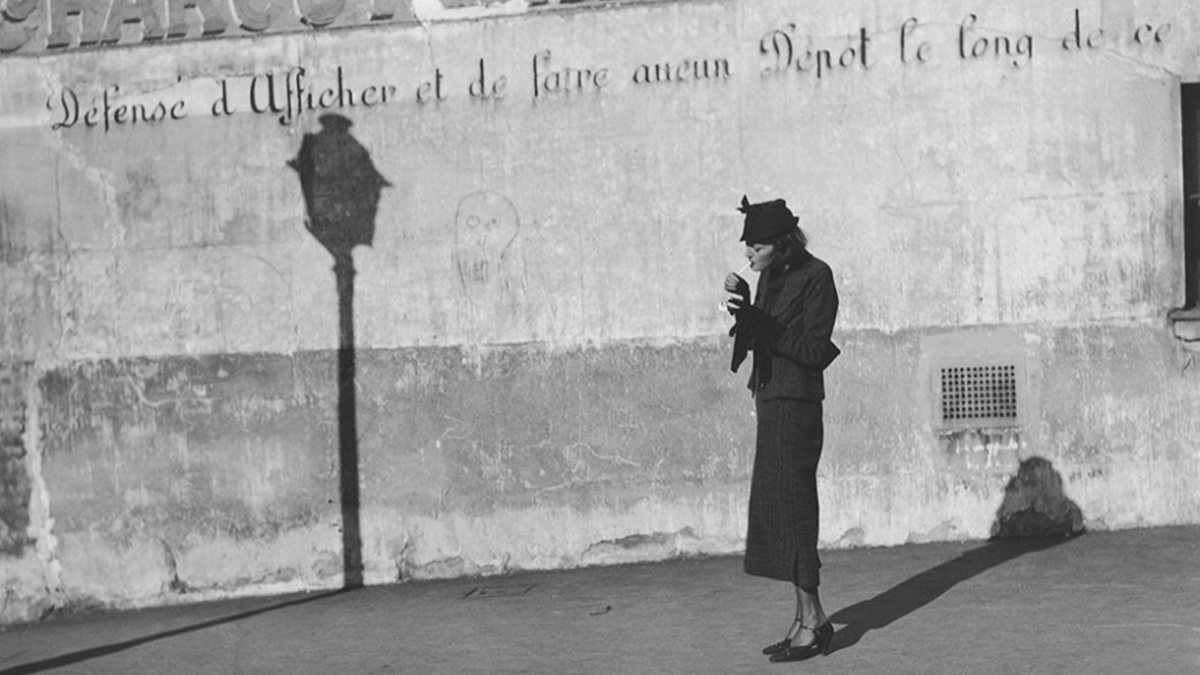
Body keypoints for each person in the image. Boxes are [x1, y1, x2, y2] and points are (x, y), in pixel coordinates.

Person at [724, 196, 841, 662]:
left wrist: (762, 322)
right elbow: (764, 335)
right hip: (772, 401)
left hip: (797, 404)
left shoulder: (818, 277)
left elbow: (813, 349)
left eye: (755, 246)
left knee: (795, 508)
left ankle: (814, 620)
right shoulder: (771, 277)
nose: (748, 255)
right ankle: (804, 618)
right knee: (780, 509)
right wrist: (746, 308)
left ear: (781, 243)